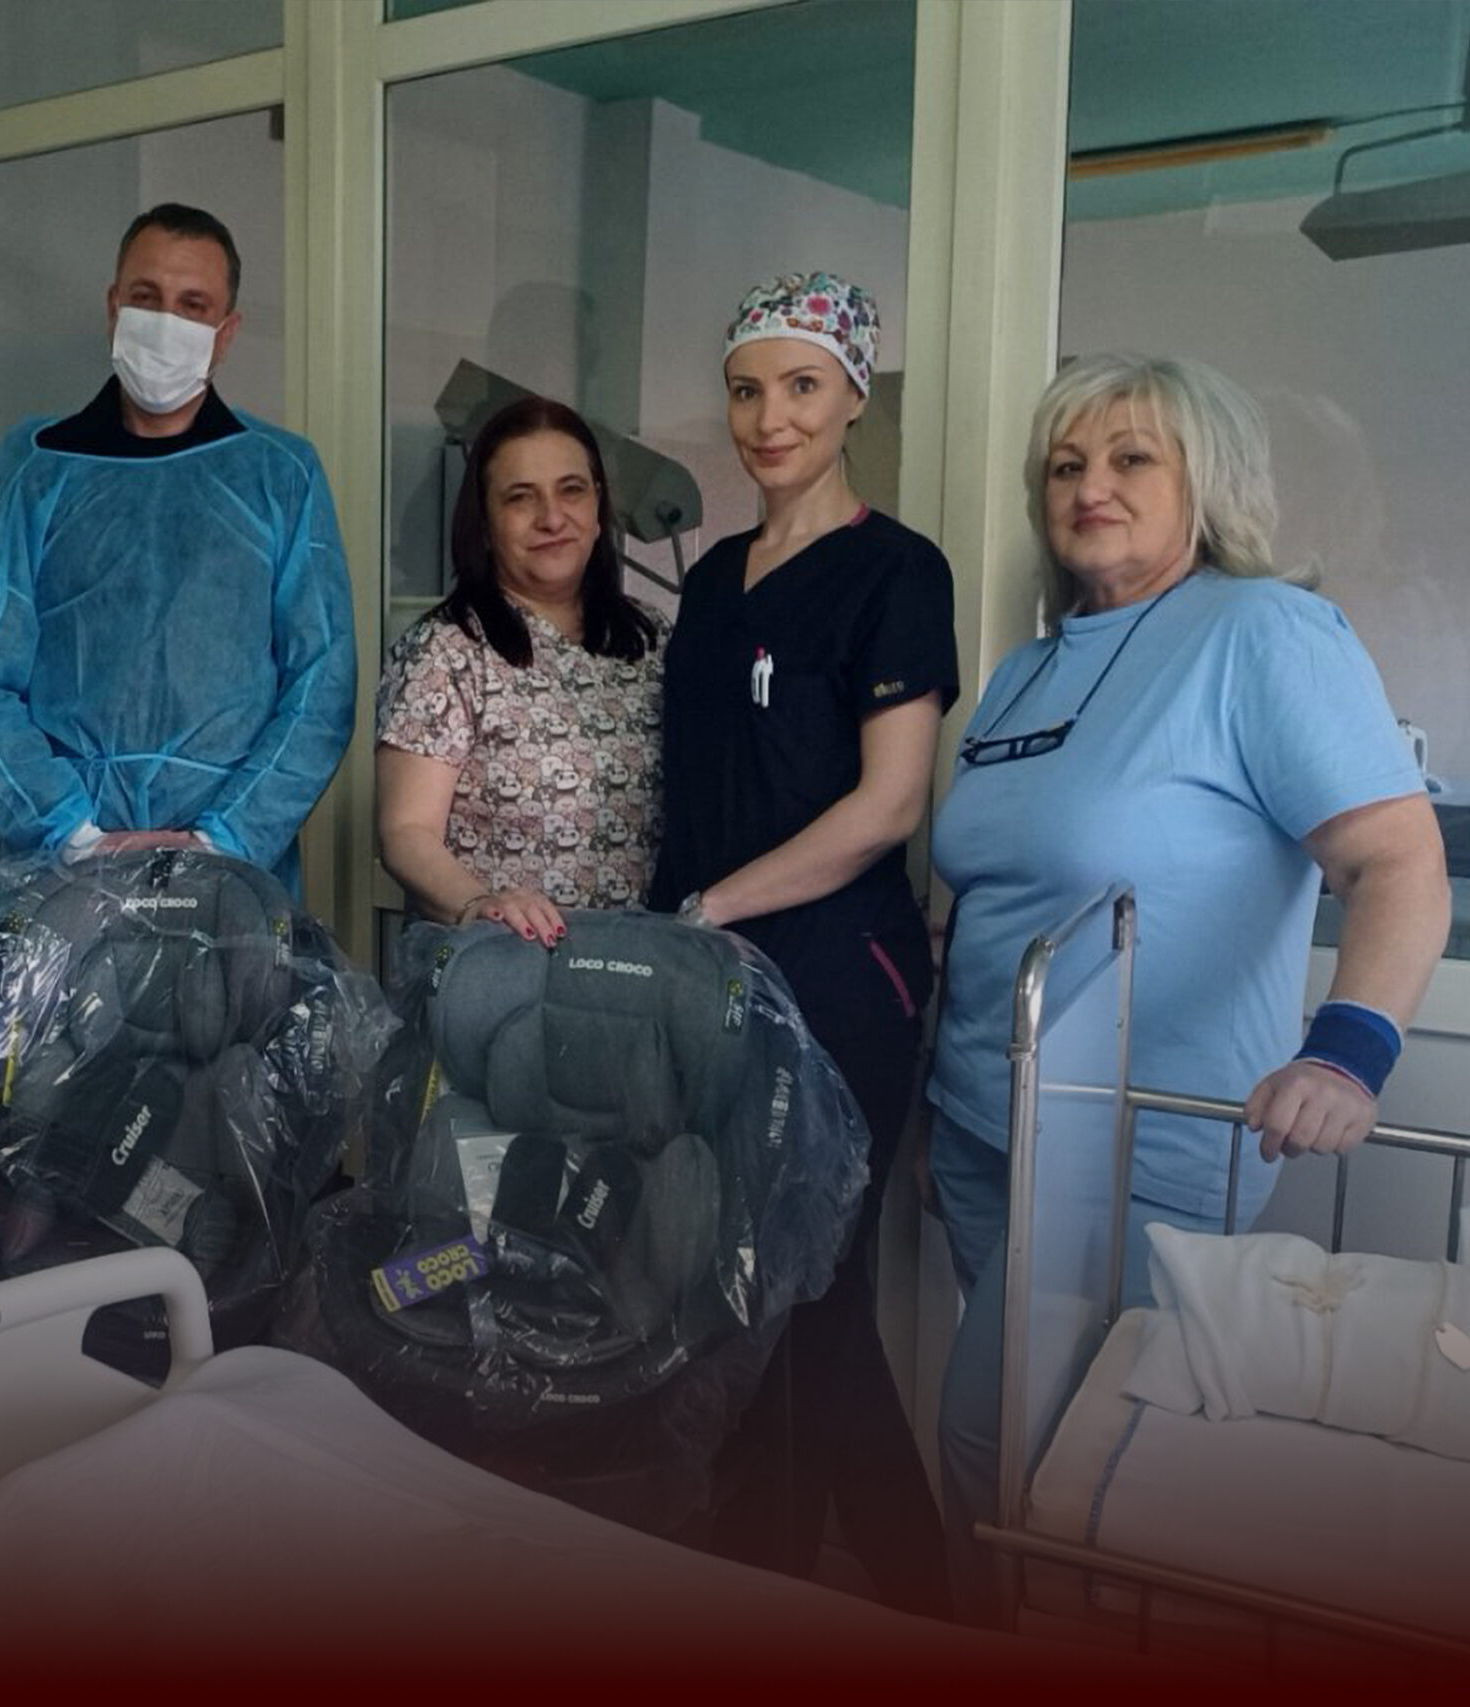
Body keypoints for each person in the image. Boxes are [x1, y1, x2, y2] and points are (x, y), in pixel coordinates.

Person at [928, 352, 1449, 1621]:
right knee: (1037, 1466)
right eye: (1065, 465)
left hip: (1135, 1148)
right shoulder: (1027, 669)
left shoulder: (1260, 632)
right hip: (981, 1124)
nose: (1088, 487)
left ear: (1205, 482)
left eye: (1130, 459)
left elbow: (1396, 862)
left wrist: (1346, 1053)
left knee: (1018, 1463)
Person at [647, 271, 954, 1614]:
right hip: (709, 981)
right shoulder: (715, 581)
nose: (769, 417)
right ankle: (867, 1589)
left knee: (811, 1291)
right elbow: (694, 785)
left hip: (839, 980)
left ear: (854, 397)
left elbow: (888, 805)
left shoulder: (897, 570)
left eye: (802, 386)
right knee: (747, 1291)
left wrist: (712, 909)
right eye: (746, 389)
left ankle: (846, 1587)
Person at [0, 203, 355, 894]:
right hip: (60, 872)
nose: (167, 321)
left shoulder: (280, 474)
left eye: (194, 305)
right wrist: (74, 835)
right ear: (113, 306)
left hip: (227, 876)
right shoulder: (37, 465)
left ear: (226, 333)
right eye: (147, 297)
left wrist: (222, 841)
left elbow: (321, 688)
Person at [375, 394, 665, 939]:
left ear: (598, 508)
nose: (552, 517)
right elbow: (407, 833)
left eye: (571, 490)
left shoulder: (651, 639)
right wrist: (482, 904)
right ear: (485, 524)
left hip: (636, 964)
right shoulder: (447, 651)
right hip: (501, 965)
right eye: (520, 498)